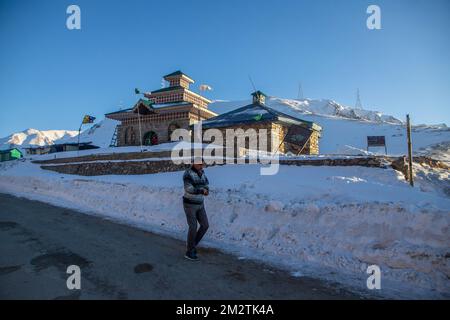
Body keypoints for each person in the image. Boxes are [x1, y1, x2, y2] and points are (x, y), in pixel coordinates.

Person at [182, 158, 209, 261]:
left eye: (202, 164)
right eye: (199, 164)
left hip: (200, 204)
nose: (201, 166)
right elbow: (188, 189)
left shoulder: (202, 173)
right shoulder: (187, 174)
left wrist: (206, 190)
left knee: (205, 225)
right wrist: (201, 191)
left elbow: (206, 183)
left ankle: (192, 245)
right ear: (193, 163)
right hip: (189, 204)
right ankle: (189, 251)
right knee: (193, 227)